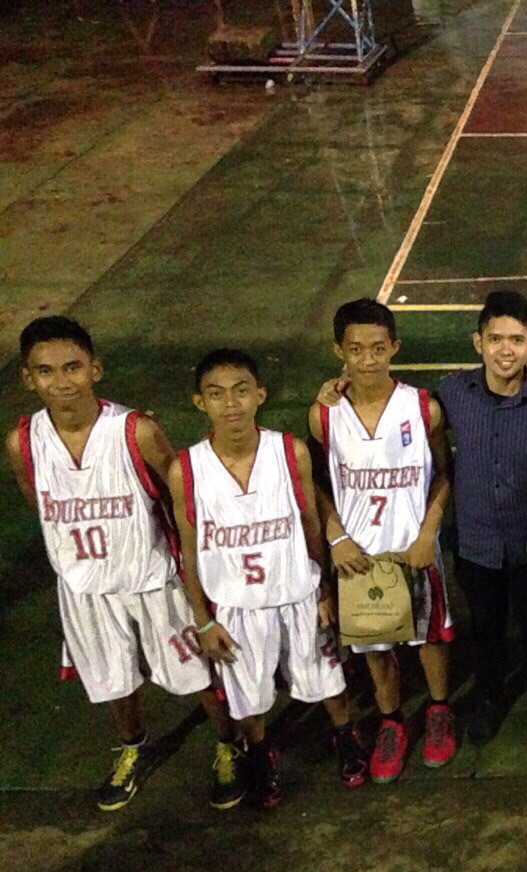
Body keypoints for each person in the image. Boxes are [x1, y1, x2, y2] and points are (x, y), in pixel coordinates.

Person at [5, 316, 241, 811]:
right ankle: (134, 746)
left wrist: (194, 576)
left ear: (95, 369)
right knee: (111, 678)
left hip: (151, 578)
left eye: (72, 367)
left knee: (197, 672)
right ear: (28, 378)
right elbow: (38, 501)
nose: (61, 381)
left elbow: (180, 499)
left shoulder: (135, 432)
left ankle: (229, 743)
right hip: (83, 587)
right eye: (46, 371)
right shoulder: (23, 443)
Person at [171, 349, 369, 807]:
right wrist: (203, 620)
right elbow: (189, 550)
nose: (231, 404)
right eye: (217, 394)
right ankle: (259, 751)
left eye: (241, 391)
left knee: (327, 679)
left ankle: (344, 733)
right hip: (235, 605)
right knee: (248, 697)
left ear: (260, 394)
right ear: (200, 402)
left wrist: (322, 589)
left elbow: (311, 525)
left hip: (296, 592)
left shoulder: (289, 451)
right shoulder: (187, 469)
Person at [309, 298, 455, 784]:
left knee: (429, 637)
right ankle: (392, 721)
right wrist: (336, 537)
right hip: (359, 555)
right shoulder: (324, 416)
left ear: (395, 347)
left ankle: (438, 710)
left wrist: (428, 532)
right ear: (339, 351)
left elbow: (443, 472)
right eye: (356, 349)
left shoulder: (423, 408)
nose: (368, 359)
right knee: (375, 645)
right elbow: (316, 484)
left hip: (413, 549)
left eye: (377, 347)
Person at [435, 291, 527, 742]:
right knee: (485, 628)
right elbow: (403, 412)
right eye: (495, 339)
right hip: (475, 544)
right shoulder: (452, 394)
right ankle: (490, 697)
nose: (505, 350)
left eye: (516, 339)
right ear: (478, 342)